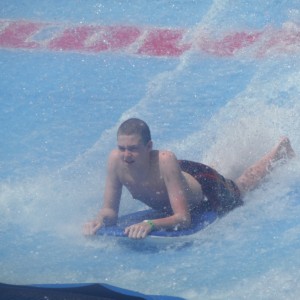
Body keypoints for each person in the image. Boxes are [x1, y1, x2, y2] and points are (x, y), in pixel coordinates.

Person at [83, 118, 295, 239]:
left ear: (149, 147)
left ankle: (279, 150)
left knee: (241, 186)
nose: (126, 155)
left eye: (133, 149)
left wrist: (150, 224)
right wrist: (99, 220)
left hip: (204, 184)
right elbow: (110, 211)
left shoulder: (164, 159)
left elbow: (183, 218)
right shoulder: (116, 161)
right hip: (178, 175)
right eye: (122, 148)